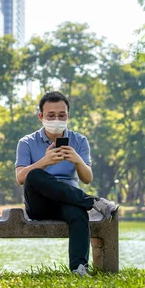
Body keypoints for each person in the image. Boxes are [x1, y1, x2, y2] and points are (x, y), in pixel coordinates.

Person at [15, 91, 118, 277]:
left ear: (68, 116)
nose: (56, 119)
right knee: (35, 175)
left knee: (78, 213)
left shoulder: (79, 141)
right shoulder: (27, 143)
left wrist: (78, 161)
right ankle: (93, 202)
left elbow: (87, 178)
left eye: (61, 115)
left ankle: (79, 269)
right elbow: (20, 178)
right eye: (51, 115)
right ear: (41, 117)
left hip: (68, 202)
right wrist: (44, 161)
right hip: (39, 205)